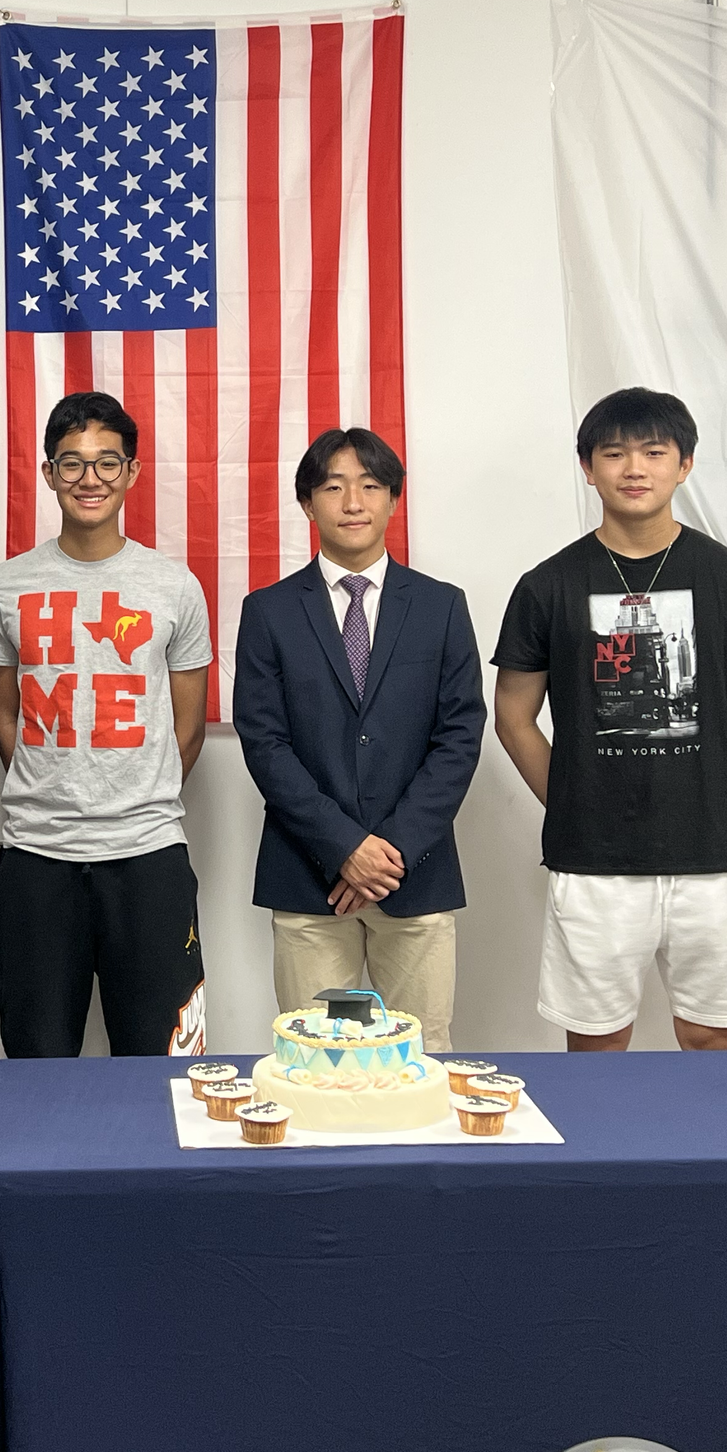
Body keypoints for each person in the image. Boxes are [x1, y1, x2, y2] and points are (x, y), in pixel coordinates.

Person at [491, 388, 727, 1052]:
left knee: (712, 1035)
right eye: (614, 451)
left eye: (654, 451)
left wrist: (697, 778)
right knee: (596, 1043)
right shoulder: (547, 586)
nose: (634, 467)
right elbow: (513, 717)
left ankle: (719, 1156)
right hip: (593, 858)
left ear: (684, 464)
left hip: (708, 853)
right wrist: (578, 792)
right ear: (586, 466)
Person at [232, 427, 486, 1051]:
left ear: (393, 500)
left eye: (370, 486)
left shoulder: (440, 606)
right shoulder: (268, 610)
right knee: (319, 1057)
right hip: (309, 876)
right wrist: (344, 845)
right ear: (307, 503)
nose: (353, 502)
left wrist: (388, 850)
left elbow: (460, 735)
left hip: (414, 874)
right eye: (334, 487)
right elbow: (264, 741)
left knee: (419, 1053)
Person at [0, 391, 214, 1057]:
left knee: (163, 1059)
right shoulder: (6, 585)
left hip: (148, 854)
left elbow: (188, 729)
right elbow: (5, 714)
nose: (91, 479)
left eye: (107, 462)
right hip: (35, 857)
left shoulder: (174, 585)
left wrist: (133, 790)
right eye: (73, 463)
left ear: (132, 473)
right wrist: (52, 785)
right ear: (49, 473)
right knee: (36, 1056)